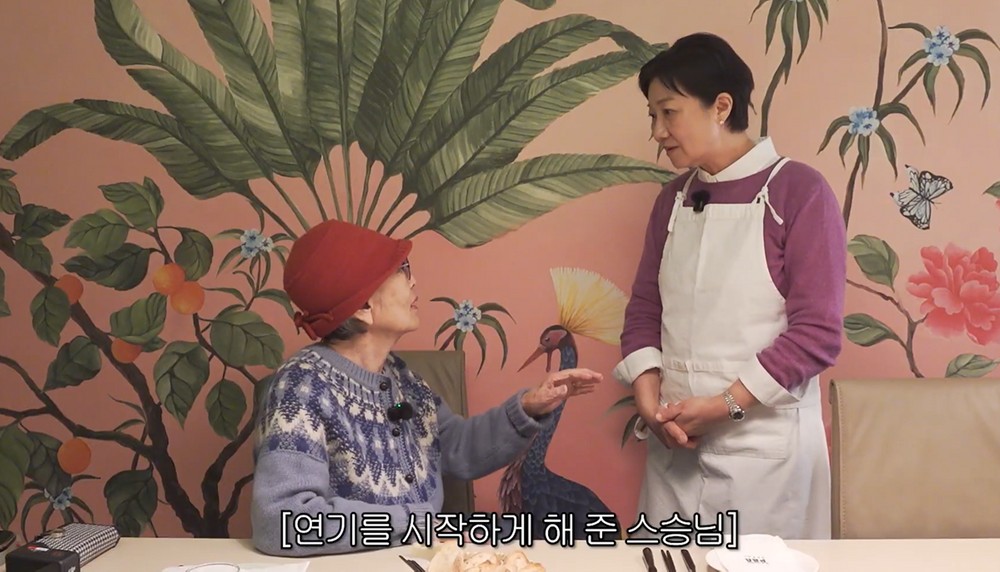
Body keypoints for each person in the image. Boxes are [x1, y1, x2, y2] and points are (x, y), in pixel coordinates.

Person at [250, 220, 603, 556]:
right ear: (364, 306)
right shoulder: (301, 387)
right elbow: (283, 521)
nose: (414, 280)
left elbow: (457, 447)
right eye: (402, 270)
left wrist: (529, 407)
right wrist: (418, 524)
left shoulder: (406, 382)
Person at [614, 32, 846, 540]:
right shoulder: (672, 200)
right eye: (652, 115)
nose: (657, 132)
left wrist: (726, 405)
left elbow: (818, 333)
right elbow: (645, 309)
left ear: (721, 106)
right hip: (676, 452)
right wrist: (649, 400)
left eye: (668, 113)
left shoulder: (799, 192)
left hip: (767, 461)